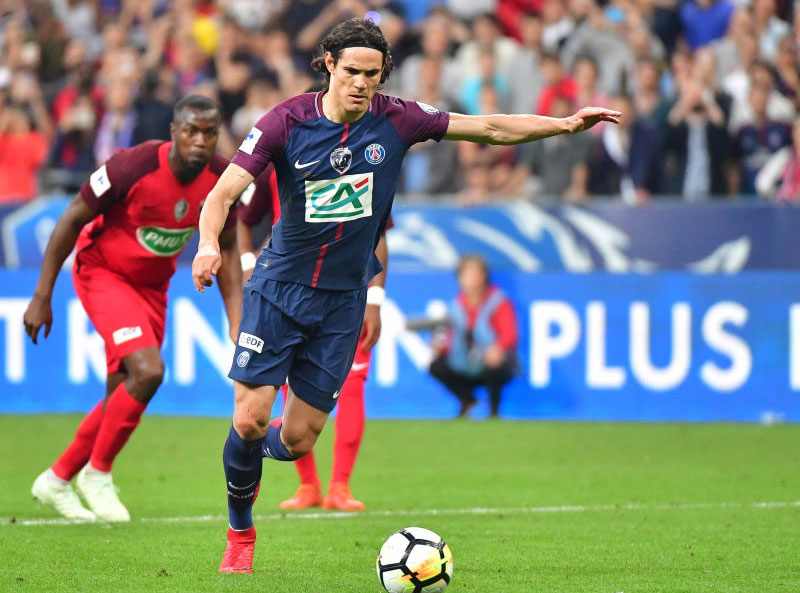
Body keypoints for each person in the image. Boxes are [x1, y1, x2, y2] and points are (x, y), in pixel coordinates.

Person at [191, 18, 619, 574]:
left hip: (343, 301)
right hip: (278, 290)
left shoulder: (399, 118)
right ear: (329, 65)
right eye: (352, 71)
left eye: (372, 74)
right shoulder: (285, 121)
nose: (361, 83)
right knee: (250, 418)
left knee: (297, 440)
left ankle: (250, 453)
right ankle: (240, 533)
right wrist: (208, 245)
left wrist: (562, 125)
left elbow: (489, 127)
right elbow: (222, 194)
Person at [25, 95, 242, 522]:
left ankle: (57, 478)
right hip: (103, 273)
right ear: (174, 132)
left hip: (152, 288)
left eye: (209, 133)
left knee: (122, 390)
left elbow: (230, 249)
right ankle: (98, 474)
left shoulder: (223, 179)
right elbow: (71, 218)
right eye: (191, 131)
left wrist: (237, 323)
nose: (200, 141)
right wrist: (42, 295)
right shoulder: (132, 166)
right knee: (148, 371)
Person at [236, 167, 388, 511]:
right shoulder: (280, 158)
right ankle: (308, 486)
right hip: (289, 294)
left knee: (352, 386)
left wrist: (376, 299)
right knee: (289, 388)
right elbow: (244, 217)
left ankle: (340, 487)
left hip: (347, 297)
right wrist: (247, 265)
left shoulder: (369, 156)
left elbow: (379, 235)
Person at [428, 255, 518, 418]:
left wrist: (498, 348)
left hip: (490, 363)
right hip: (464, 362)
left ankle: (494, 411)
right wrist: (440, 347)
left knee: (495, 364)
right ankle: (467, 401)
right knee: (436, 366)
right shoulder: (456, 305)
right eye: (467, 274)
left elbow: (509, 335)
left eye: (476, 273)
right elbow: (451, 337)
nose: (472, 279)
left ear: (484, 276)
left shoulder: (498, 302)